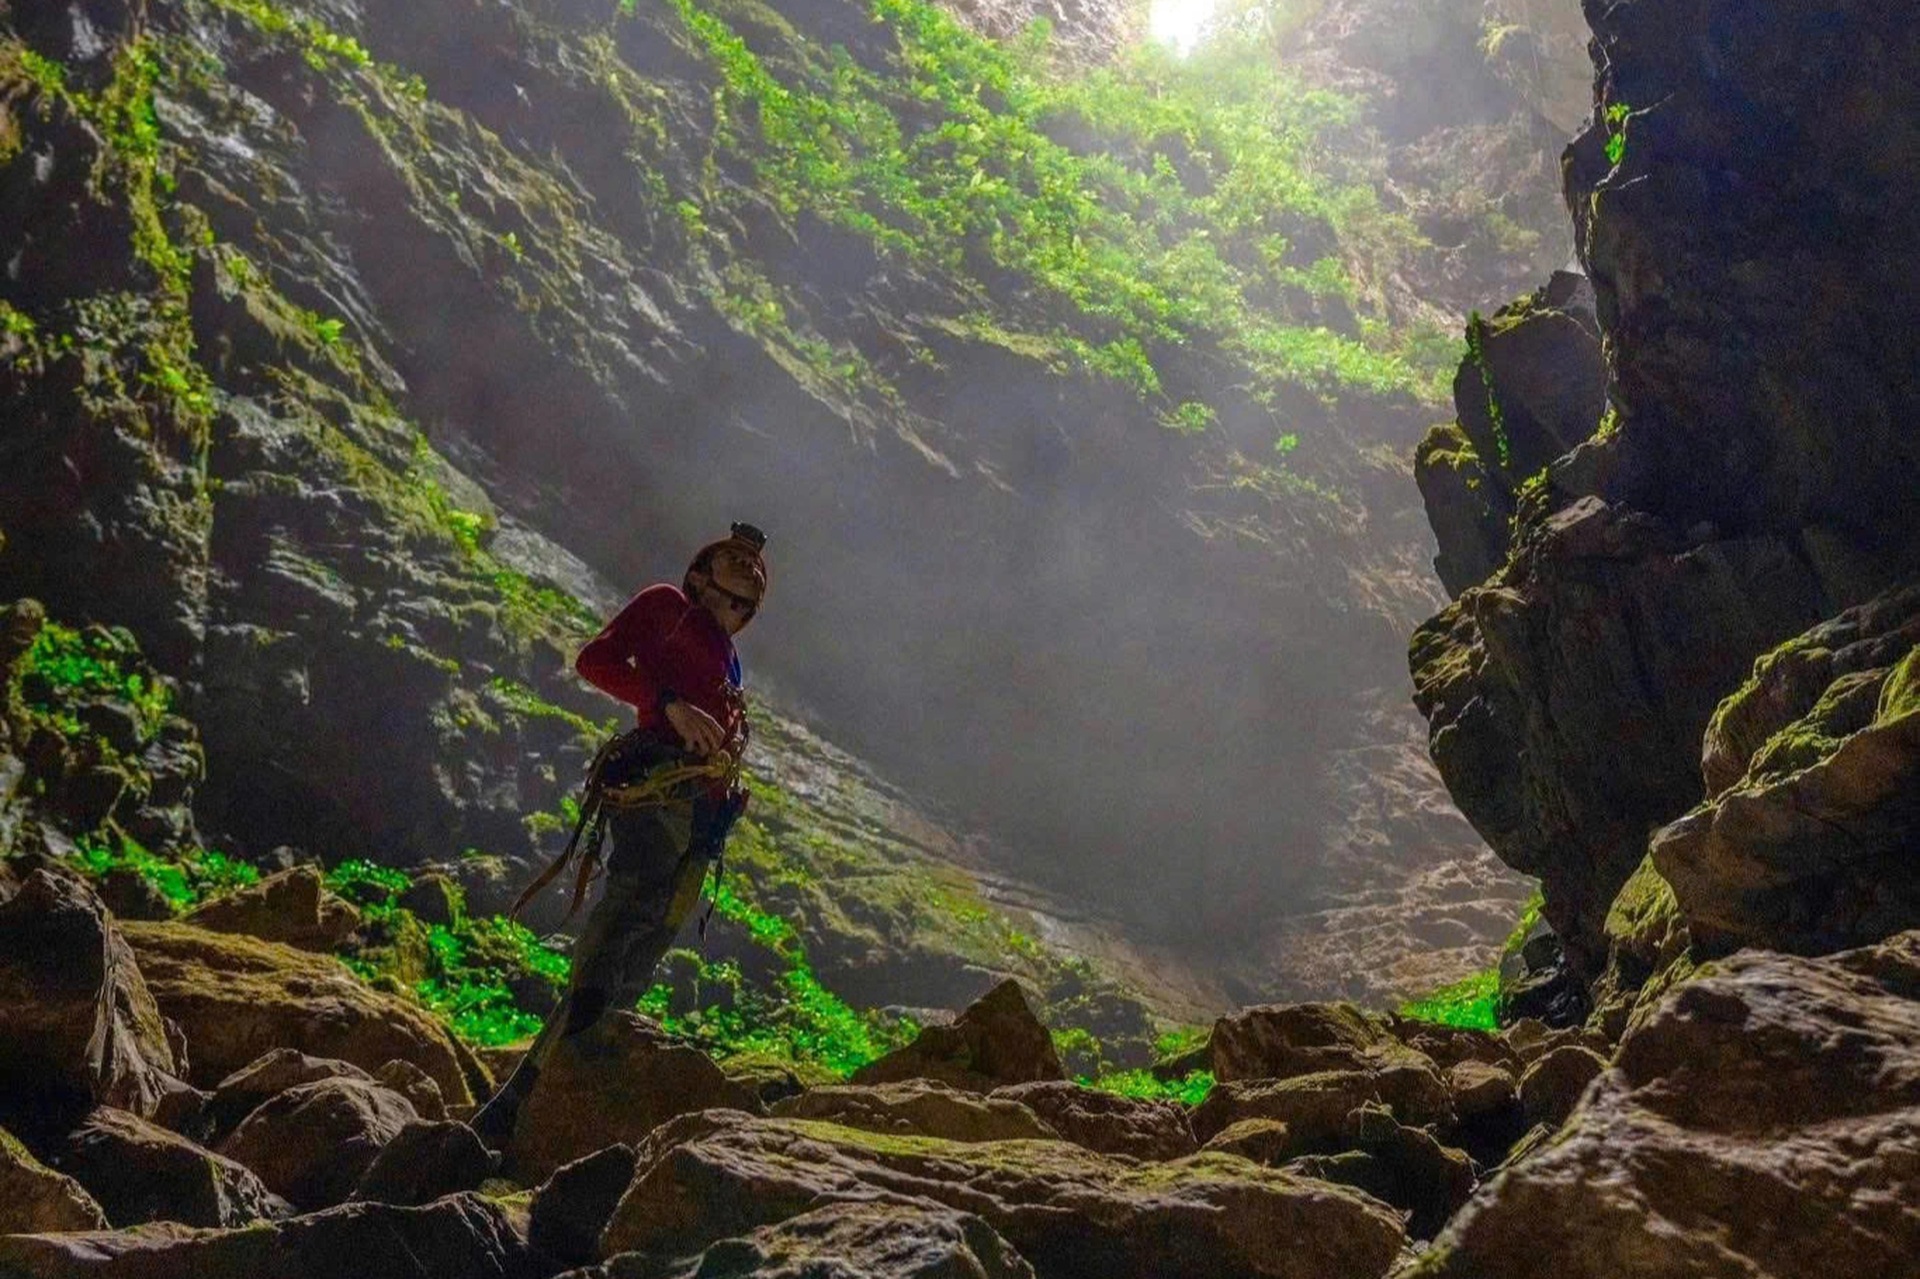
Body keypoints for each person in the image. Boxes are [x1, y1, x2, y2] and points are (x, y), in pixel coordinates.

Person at [470, 523, 769, 1149]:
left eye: (753, 570)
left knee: (646, 944)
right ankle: (526, 1095)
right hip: (658, 785)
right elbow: (595, 660)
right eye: (733, 556)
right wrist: (669, 707)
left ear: (748, 611)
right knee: (624, 923)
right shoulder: (667, 606)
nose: (749, 559)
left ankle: (569, 1098)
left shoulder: (727, 654)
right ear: (698, 575)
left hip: (698, 812)